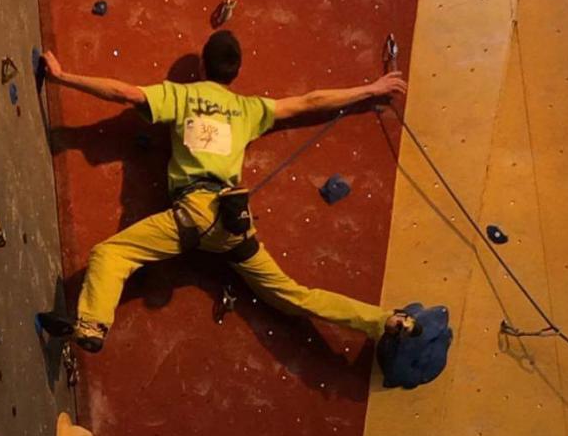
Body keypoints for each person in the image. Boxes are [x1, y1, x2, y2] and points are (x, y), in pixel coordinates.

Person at [38, 30, 418, 353]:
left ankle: (92, 325)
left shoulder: (181, 96)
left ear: (203, 67)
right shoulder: (248, 109)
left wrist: (63, 77)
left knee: (111, 255)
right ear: (236, 73)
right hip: (234, 225)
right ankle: (385, 320)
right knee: (293, 297)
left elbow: (124, 93)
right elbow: (310, 102)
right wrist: (372, 89)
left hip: (193, 214)